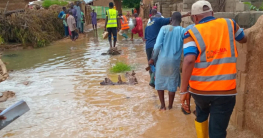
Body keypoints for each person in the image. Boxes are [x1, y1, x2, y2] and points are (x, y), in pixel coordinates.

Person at [180, 1, 247, 138]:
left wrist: (183, 91)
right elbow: (243, 39)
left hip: (199, 91)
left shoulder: (191, 33)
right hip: (225, 91)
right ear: (212, 13)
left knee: (202, 113)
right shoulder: (230, 24)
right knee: (217, 130)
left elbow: (189, 60)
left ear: (195, 18)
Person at [148, 12, 186, 110]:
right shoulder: (183, 30)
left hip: (162, 60)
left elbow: (157, 46)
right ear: (180, 21)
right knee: (172, 83)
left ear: (171, 19)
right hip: (174, 62)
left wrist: (152, 59)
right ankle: (170, 106)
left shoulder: (164, 28)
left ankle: (162, 106)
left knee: (160, 82)